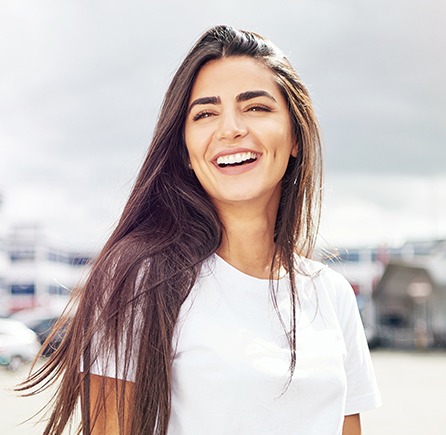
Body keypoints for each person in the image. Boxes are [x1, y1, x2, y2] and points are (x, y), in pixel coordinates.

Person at [20, 25, 381, 434]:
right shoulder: (139, 280)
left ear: (296, 136)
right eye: (205, 113)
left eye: (256, 108)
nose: (230, 129)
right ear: (187, 150)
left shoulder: (331, 294)